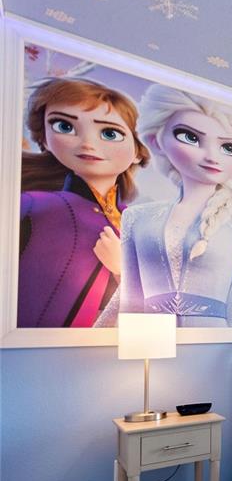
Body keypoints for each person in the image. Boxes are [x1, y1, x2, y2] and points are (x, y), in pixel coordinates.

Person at [117, 85, 232, 327]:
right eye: (190, 137)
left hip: (215, 343)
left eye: (228, 148)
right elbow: (130, 300)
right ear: (156, 141)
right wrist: (128, 345)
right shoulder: (136, 218)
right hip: (148, 343)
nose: (212, 156)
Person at [18, 78, 150, 327]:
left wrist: (122, 270)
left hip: (110, 344)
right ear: (44, 140)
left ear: (137, 152)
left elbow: (156, 310)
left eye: (109, 133)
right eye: (64, 126)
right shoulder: (35, 206)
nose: (88, 143)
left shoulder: (139, 223)